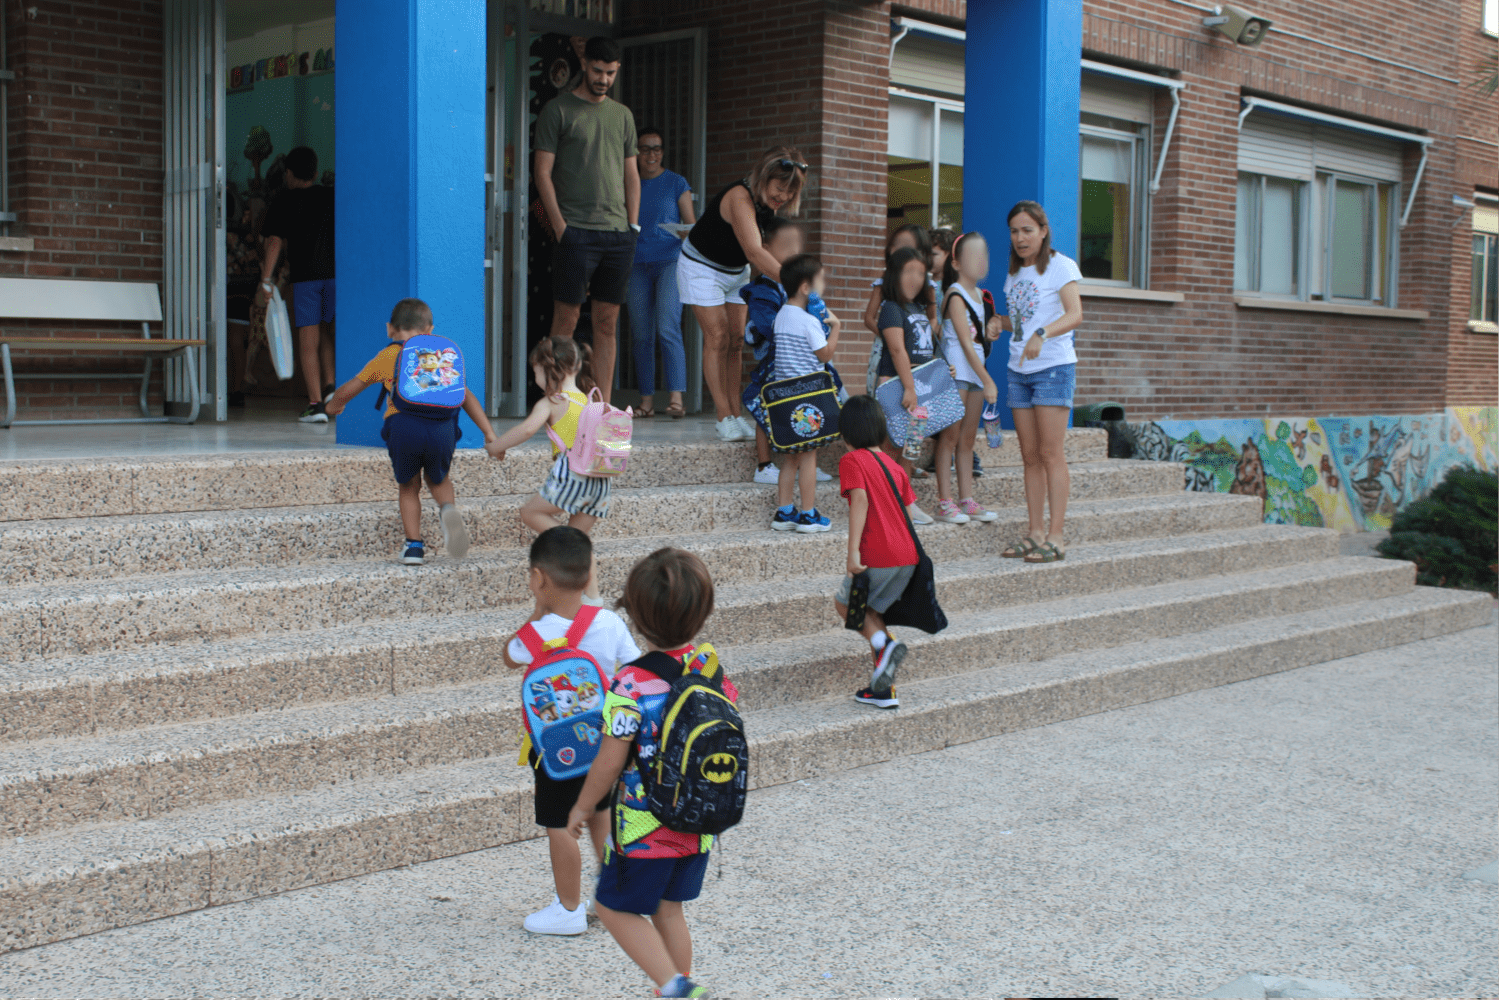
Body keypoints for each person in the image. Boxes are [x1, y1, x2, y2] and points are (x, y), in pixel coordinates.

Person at [566, 547, 727, 999]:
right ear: (704, 611)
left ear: (634, 617)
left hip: (644, 827)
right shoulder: (710, 670)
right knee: (669, 910)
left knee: (612, 907)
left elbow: (610, 760)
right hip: (698, 822)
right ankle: (678, 988)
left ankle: (676, 987)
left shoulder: (630, 685)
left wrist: (583, 805)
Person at [504, 526, 642, 937]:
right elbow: (633, 669)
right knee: (600, 814)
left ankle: (567, 910)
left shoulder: (532, 636)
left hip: (557, 752)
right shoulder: (609, 623)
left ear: (538, 578)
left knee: (560, 824)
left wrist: (537, 610)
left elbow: (510, 656)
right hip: (604, 743)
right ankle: (613, 895)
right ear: (588, 575)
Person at [324, 298, 498, 565]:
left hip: (404, 426)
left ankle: (414, 547)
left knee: (409, 486)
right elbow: (466, 397)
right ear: (430, 330)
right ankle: (448, 510)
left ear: (389, 329)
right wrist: (488, 432)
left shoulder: (389, 355)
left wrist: (334, 405)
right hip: (442, 429)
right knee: (439, 480)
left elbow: (352, 387)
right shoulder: (440, 359)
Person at [534, 35, 640, 403]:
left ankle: (605, 405)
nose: (603, 79)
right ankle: (554, 401)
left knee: (607, 323)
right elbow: (542, 173)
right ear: (584, 64)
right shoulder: (558, 110)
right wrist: (561, 227)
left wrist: (633, 225)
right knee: (566, 319)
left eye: (610, 73)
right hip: (576, 231)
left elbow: (631, 174)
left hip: (618, 233)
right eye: (597, 71)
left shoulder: (622, 115)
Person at [678, 146, 808, 441]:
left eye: (790, 192)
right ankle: (723, 417)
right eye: (780, 188)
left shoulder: (768, 203)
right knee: (718, 337)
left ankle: (736, 414)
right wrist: (794, 285)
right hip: (700, 267)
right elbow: (754, 251)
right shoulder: (739, 197)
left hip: (735, 271)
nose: (784, 196)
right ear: (764, 176)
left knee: (736, 341)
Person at [485, 336, 611, 600]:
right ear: (577, 366)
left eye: (536, 372)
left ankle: (565, 544)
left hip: (573, 476)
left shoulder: (552, 402)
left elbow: (527, 429)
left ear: (548, 369)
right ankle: (593, 603)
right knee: (579, 542)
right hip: (601, 482)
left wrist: (496, 446)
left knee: (530, 512)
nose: (535, 378)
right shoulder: (588, 401)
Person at [999, 200, 1083, 564]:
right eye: (1014, 231)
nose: (1020, 238)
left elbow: (1075, 314)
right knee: (1029, 456)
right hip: (1018, 371)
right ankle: (1034, 533)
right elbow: (1021, 324)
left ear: (1043, 231)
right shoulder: (1015, 274)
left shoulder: (1061, 266)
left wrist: (1042, 334)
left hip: (1052, 368)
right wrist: (998, 323)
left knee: (1050, 454)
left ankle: (1056, 537)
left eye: (1027, 230)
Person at [834, 394, 916, 710]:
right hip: (906, 554)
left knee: (846, 605)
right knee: (872, 615)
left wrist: (852, 551)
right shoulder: (895, 467)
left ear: (847, 433)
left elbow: (860, 500)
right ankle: (883, 689)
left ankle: (885, 644)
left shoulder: (852, 461)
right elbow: (909, 512)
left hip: (877, 552)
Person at [740, 218, 835, 487]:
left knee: (811, 407)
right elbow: (764, 326)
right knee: (766, 410)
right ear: (765, 249)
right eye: (786, 247)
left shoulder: (800, 290)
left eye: (797, 248)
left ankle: (807, 460)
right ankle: (764, 464)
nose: (793, 254)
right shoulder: (763, 290)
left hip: (803, 364)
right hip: (775, 366)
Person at [875, 246, 954, 522]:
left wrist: (941, 369)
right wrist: (909, 388)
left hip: (920, 388)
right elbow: (897, 350)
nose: (915, 278)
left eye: (921, 273)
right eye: (908, 271)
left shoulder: (919, 309)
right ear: (894, 274)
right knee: (892, 446)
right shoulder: (891, 308)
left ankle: (904, 501)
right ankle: (885, 504)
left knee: (911, 448)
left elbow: (924, 350)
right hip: (899, 386)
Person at [258, 145, 336, 423]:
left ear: (289, 173)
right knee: (326, 331)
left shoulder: (284, 200)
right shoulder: (330, 196)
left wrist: (266, 280)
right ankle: (330, 387)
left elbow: (274, 241)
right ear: (314, 173)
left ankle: (315, 405)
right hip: (334, 277)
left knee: (308, 340)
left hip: (306, 279)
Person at [767, 254, 840, 534]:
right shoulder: (809, 322)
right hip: (808, 398)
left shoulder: (781, 316)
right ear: (806, 288)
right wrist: (836, 327)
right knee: (809, 456)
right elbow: (825, 354)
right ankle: (808, 515)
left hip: (785, 398)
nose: (824, 285)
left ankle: (784, 511)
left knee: (790, 457)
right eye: (820, 281)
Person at [627, 126, 694, 419]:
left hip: (670, 262)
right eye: (645, 149)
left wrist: (684, 233)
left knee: (668, 327)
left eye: (656, 149)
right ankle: (646, 402)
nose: (651, 154)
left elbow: (692, 226)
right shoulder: (629, 182)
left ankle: (676, 399)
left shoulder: (677, 183)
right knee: (641, 334)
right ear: (636, 153)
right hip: (635, 264)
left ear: (663, 152)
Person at [936, 231, 1002, 524]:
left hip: (975, 372)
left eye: (984, 254)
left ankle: (966, 499)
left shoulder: (981, 296)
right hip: (957, 372)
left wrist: (992, 331)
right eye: (973, 255)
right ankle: (945, 502)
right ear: (956, 263)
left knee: (968, 439)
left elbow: (977, 339)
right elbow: (963, 342)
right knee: (949, 438)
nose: (981, 261)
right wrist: (988, 379)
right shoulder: (955, 294)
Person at [861, 224, 933, 397]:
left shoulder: (924, 289)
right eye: (895, 245)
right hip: (890, 346)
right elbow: (869, 318)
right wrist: (890, 335)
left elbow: (932, 319)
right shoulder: (885, 288)